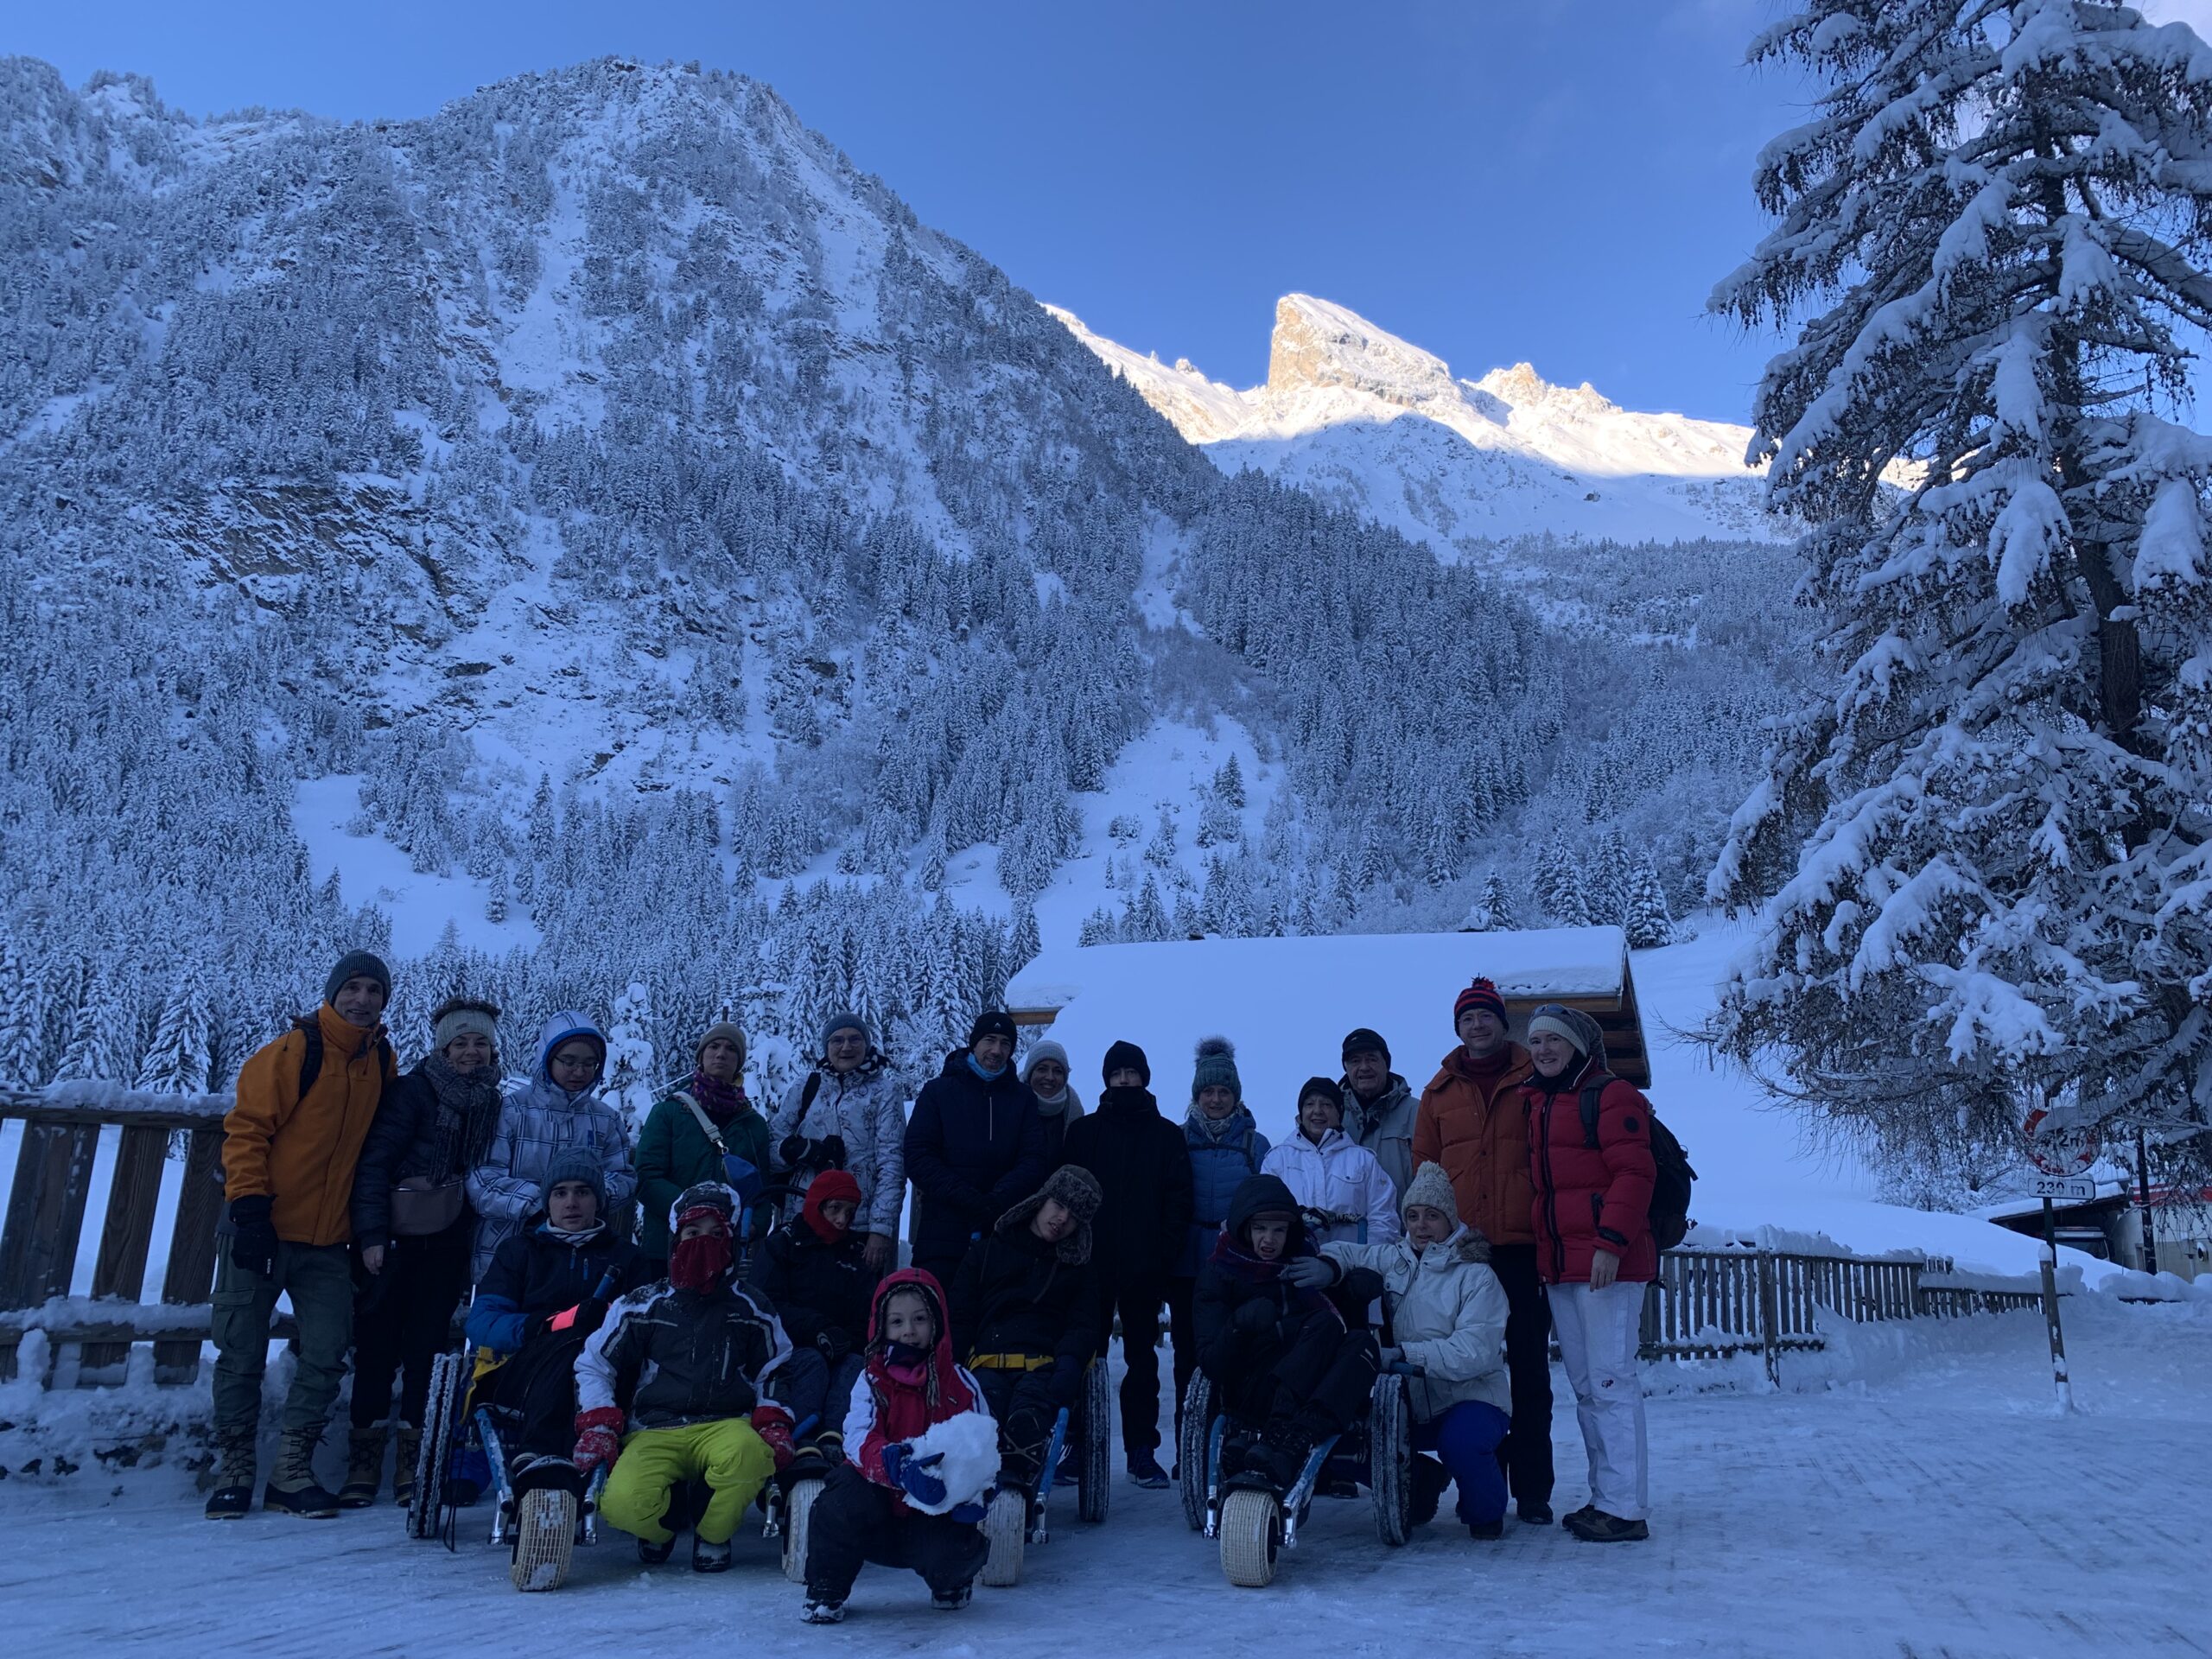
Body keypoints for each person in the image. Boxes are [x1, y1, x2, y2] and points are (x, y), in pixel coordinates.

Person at [207, 950, 397, 1521]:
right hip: (260, 1230)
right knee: (240, 1348)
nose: (362, 1000)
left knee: (326, 1349)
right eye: (354, 988)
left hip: (328, 1241)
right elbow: (245, 1131)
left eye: (374, 991)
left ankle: (291, 1470)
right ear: (334, 991)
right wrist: (249, 1209)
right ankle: (235, 1466)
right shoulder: (293, 1052)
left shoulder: (380, 1060)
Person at [573, 1182, 797, 1572]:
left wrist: (773, 1419)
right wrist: (599, 1422)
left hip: (727, 1424)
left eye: (716, 1233)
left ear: (732, 1241)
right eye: (693, 1233)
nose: (703, 1242)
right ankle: (659, 1531)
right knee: (622, 1503)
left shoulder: (751, 1305)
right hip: (655, 1428)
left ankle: (713, 1534)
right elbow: (595, 1362)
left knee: (750, 1457)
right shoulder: (642, 1303)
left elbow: (775, 1367)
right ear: (677, 1239)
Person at [344, 995, 505, 1509]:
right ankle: (363, 1459)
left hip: (447, 1243)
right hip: (392, 1242)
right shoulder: (413, 1092)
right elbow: (373, 1164)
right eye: (461, 1042)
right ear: (443, 1047)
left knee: (426, 1352)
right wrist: (370, 1236)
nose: (472, 1053)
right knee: (376, 1348)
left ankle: (413, 1459)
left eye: (481, 1043)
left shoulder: (491, 1101)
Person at [1411, 976, 1554, 1523]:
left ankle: (1534, 1491)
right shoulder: (1439, 1092)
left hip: (1521, 1249)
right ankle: (1486, 1488)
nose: (1477, 1025)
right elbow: (1425, 1169)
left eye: (1485, 1016)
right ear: (1458, 1028)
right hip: (1462, 1253)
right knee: (1474, 1374)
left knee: (1528, 1369)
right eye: (1468, 1018)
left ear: (1501, 1021)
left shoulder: (1534, 1078)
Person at [1306, 1162, 1512, 1538]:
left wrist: (1404, 1355)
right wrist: (1328, 1267)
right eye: (1413, 1216)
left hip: (1471, 1397)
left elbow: (1475, 1352)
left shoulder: (1476, 1274)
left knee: (1461, 1443)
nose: (1421, 1225)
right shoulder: (1394, 1259)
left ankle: (1485, 1511)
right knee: (1345, 1444)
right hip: (1409, 1403)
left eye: (1432, 1216)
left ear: (1450, 1220)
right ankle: (1421, 1483)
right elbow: (1348, 1252)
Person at [1522, 1003, 1656, 1544]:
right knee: (1586, 1387)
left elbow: (1635, 1171)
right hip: (1561, 1267)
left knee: (1610, 1382)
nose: (1543, 1050)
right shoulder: (1538, 1100)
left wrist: (1611, 1244)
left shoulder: (1611, 1093)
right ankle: (1607, 1498)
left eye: (1553, 1040)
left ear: (1577, 1045)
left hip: (1608, 1265)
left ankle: (1626, 1508)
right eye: (1535, 1042)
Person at [800, 1269, 995, 1623]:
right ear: (881, 1327)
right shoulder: (871, 1379)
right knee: (840, 1498)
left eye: (920, 1319)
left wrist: (977, 1491)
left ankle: (950, 1580)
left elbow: (981, 1445)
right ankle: (826, 1588)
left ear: (937, 1321)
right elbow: (858, 1437)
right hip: (876, 1506)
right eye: (897, 1321)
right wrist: (894, 1465)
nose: (909, 1330)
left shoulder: (962, 1382)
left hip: (932, 1510)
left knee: (954, 1547)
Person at [466, 1152, 652, 1484]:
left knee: (584, 1346)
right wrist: (550, 1324)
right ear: (547, 1201)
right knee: (571, 1344)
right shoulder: (518, 1252)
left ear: (598, 1201)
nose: (571, 1202)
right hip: (522, 1373)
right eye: (560, 1192)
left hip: (607, 1376)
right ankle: (547, 1453)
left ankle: (544, 1455)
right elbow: (482, 1323)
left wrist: (606, 1321)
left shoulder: (627, 1257)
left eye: (582, 1192)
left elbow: (647, 1326)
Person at [1193, 1173, 1381, 1494]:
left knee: (1362, 1344)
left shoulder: (1305, 1264)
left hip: (1307, 1391)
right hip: (1253, 1386)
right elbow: (1211, 1362)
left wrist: (1351, 1289)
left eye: (1279, 1230)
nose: (1269, 1239)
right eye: (1260, 1229)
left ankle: (1295, 1438)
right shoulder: (1221, 1273)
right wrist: (1240, 1323)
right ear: (1244, 1228)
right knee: (1322, 1324)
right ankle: (1285, 1431)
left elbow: (1342, 1324)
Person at [1060, 1039, 1192, 1488]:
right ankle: (1078, 1445)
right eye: (1116, 1074)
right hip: (1088, 1266)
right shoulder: (1083, 1133)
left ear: (1144, 1078)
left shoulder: (1167, 1135)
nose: (1124, 1081)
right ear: (1106, 1080)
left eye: (1131, 1074)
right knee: (1082, 1356)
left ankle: (1142, 1450)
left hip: (1143, 1267)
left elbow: (1178, 1202)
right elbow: (1066, 1196)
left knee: (1142, 1361)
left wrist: (1162, 1256)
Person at [949, 1166, 1102, 1498]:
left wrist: (1070, 1364)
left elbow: (1084, 1324)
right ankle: (973, 1486)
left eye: (1074, 1217)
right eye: (1059, 1206)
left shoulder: (1078, 1270)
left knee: (1027, 1416)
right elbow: (960, 1313)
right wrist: (952, 1365)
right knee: (984, 1416)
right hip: (986, 1363)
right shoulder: (989, 1250)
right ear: (1042, 1200)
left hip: (1042, 1366)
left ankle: (1017, 1481)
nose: (1062, 1219)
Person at [468, 1013, 635, 1283]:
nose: (579, 1072)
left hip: (580, 1257)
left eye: (589, 1064)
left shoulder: (605, 1118)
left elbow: (624, 1177)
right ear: (547, 1057)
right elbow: (483, 1181)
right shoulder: (511, 1111)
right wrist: (542, 1203)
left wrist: (593, 1196)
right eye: (569, 1061)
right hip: (506, 1252)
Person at [1165, 1036, 1268, 1447]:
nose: (1216, 1099)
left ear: (1236, 1095)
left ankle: (1236, 1439)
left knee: (1240, 1351)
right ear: (1196, 1095)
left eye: (1224, 1091)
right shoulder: (1177, 1140)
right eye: (1208, 1091)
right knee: (1187, 1357)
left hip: (1237, 1267)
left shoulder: (1254, 1144)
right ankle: (1189, 1443)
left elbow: (1266, 1202)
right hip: (1186, 1265)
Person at [902, 1010, 1049, 1291]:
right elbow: (918, 1156)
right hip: (942, 1236)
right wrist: (967, 1198)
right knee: (938, 1322)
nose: (996, 1050)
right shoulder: (938, 1092)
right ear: (974, 1043)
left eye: (1005, 1043)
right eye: (989, 1040)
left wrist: (997, 1200)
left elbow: (1034, 1160)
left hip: (1003, 1234)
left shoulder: (1023, 1099)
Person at [747, 1167, 875, 1471]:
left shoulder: (854, 1254)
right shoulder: (783, 1245)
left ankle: (837, 1437)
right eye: (834, 1209)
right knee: (812, 1362)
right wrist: (817, 1328)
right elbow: (766, 1304)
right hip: (790, 1347)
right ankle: (801, 1436)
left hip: (842, 1346)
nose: (842, 1220)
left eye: (850, 1212)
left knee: (855, 1365)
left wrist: (848, 1340)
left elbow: (868, 1311)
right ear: (817, 1205)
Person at [771, 1011, 907, 1275]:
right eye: (837, 1040)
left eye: (855, 1039)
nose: (846, 1047)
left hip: (858, 1225)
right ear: (826, 1046)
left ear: (867, 1045)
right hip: (803, 1220)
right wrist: (793, 1150)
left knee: (852, 1310)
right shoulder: (807, 1087)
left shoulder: (884, 1092)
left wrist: (880, 1229)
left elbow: (892, 1163)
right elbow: (771, 1149)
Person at [637, 1020, 773, 1271]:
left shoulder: (753, 1124)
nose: (721, 1053)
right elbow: (646, 1177)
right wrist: (692, 1212)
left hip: (727, 1248)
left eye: (731, 1049)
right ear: (701, 1056)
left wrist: (755, 1225)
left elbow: (762, 1188)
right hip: (668, 1247)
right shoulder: (668, 1113)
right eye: (714, 1046)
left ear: (739, 1061)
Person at [1262, 1077, 1399, 1249]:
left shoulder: (1364, 1161)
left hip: (1351, 1267)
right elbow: (1265, 1216)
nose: (1317, 1111)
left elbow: (1383, 1220)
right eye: (1310, 1104)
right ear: (1301, 1112)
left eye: (1326, 1105)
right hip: (1292, 1264)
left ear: (1339, 1112)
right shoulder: (1277, 1160)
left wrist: (1364, 1262)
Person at [1338, 1027, 1417, 1203]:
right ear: (1346, 1067)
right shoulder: (1332, 1116)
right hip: (1344, 1229)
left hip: (1405, 1227)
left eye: (1372, 1059)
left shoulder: (1417, 1112)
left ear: (1386, 1064)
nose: (1364, 1067)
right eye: (1355, 1061)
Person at [1020, 1038, 1084, 1161]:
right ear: (1030, 1073)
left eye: (1057, 1071)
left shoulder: (1074, 1113)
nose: (1050, 1077)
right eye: (1042, 1069)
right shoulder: (1008, 1105)